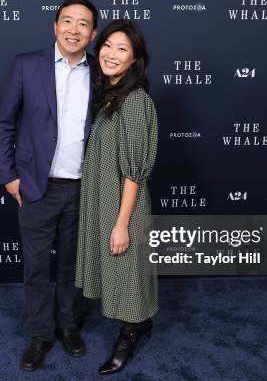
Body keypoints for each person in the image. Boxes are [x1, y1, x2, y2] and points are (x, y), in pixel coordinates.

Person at [0, 0, 98, 372]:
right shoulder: (27, 65)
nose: (74, 29)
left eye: (82, 23)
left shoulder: (100, 73)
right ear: (55, 27)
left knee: (71, 266)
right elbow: (5, 124)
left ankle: (68, 326)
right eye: (67, 21)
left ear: (93, 33)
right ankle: (41, 334)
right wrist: (8, 176)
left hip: (83, 187)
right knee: (37, 268)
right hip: (37, 187)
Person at [75, 19, 158, 375]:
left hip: (123, 205)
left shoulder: (136, 101)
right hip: (104, 199)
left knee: (127, 270)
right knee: (119, 271)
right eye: (107, 45)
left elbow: (134, 171)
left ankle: (132, 333)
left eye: (122, 49)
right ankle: (139, 323)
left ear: (135, 59)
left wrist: (121, 223)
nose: (111, 54)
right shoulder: (111, 95)